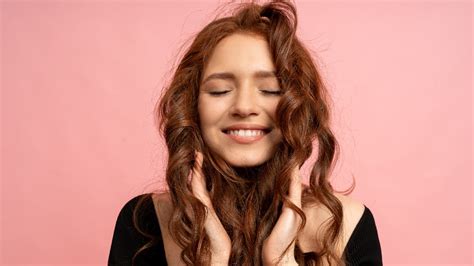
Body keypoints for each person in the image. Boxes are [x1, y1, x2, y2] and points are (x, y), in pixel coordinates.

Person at [108, 1, 383, 265]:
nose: (243, 107)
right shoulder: (144, 222)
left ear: (299, 105)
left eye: (270, 89)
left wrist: (282, 262)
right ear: (192, 106)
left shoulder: (349, 224)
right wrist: (211, 261)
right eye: (220, 90)